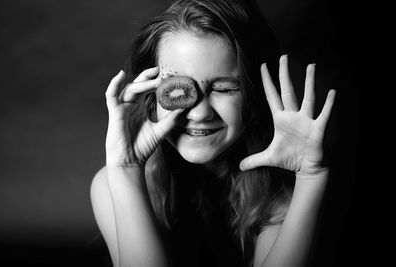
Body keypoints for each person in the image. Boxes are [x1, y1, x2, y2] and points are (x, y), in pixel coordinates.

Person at [90, 0, 336, 266]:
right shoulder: (113, 184)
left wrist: (311, 178)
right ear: (151, 94)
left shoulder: (277, 202)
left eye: (224, 89)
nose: (199, 113)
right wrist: (125, 170)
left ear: (254, 95)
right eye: (177, 86)